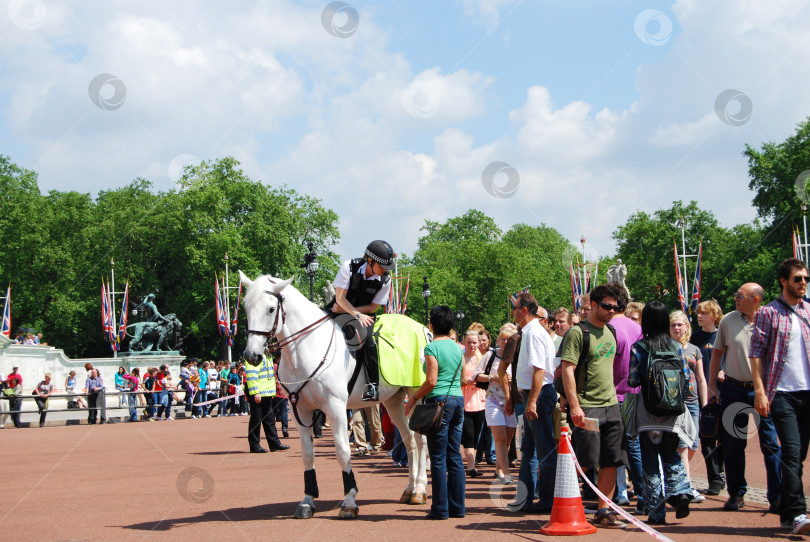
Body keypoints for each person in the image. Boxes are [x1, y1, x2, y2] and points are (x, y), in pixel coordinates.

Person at [707, 282, 781, 513]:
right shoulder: (729, 320)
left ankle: (777, 497)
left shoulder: (771, 319)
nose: (736, 298)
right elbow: (718, 352)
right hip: (734, 389)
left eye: (740, 296)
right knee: (733, 445)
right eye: (736, 295)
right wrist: (711, 384)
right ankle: (737, 494)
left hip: (765, 392)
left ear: (756, 300)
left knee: (770, 444)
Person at [750, 258, 810, 534]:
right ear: (784, 281)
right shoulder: (768, 313)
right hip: (781, 393)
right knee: (792, 452)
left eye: (806, 279)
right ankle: (798, 513)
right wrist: (760, 392)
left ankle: (786, 510)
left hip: (807, 393)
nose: (803, 284)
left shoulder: (808, 311)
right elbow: (756, 355)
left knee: (799, 456)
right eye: (798, 279)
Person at [560, 284, 626, 529]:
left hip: (611, 405)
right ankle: (561, 500)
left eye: (616, 307)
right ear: (594, 305)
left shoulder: (611, 331)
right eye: (608, 306)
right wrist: (575, 405)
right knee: (584, 461)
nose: (612, 311)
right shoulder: (578, 333)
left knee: (611, 460)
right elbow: (567, 368)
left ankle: (604, 510)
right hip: (587, 406)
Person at [628, 301, 695, 525]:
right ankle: (681, 491)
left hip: (648, 412)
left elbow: (633, 380)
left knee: (649, 459)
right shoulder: (677, 347)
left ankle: (656, 511)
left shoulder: (639, 348)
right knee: (671, 453)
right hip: (673, 413)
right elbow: (688, 384)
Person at [405, 305, 466, 520]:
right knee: (454, 456)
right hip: (458, 400)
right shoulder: (459, 348)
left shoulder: (431, 348)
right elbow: (463, 377)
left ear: (432, 325)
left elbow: (431, 381)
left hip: (439, 402)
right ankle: (458, 507)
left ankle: (440, 509)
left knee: (438, 458)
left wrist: (413, 398)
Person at [325, 240, 395, 401]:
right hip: (338, 309)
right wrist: (352, 312)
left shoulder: (385, 280)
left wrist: (355, 314)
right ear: (370, 261)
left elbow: (372, 307)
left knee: (369, 342)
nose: (385, 270)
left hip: (362, 314)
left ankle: (372, 386)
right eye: (382, 266)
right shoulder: (349, 266)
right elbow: (340, 298)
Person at [514, 293, 558, 514]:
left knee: (543, 450)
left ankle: (547, 500)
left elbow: (540, 370)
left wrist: (531, 402)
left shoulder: (533, 332)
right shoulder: (531, 331)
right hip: (534, 394)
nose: (512, 311)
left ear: (524, 310)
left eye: (514, 308)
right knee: (529, 449)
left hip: (537, 394)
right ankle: (526, 498)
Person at [609, 287, 644, 512]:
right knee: (634, 446)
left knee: (615, 447)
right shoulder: (637, 328)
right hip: (636, 393)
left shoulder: (609, 327)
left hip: (614, 393)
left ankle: (620, 492)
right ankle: (642, 492)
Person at [669, 310, 707, 504]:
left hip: (693, 402)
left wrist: (705, 402)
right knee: (682, 445)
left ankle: (679, 477)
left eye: (680, 325)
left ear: (687, 327)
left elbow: (701, 378)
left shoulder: (694, 349)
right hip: (676, 403)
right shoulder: (667, 348)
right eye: (673, 325)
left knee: (694, 443)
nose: (677, 328)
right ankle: (686, 486)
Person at [473, 323, 518, 483]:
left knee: (507, 439)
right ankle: (506, 475)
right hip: (493, 401)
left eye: (509, 340)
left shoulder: (517, 357)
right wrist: (494, 378)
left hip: (512, 402)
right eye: (503, 339)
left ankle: (499, 468)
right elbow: (476, 376)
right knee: (499, 438)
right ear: (498, 341)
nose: (506, 343)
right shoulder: (490, 356)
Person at [690, 299, 725, 495]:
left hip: (725, 390)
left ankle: (720, 471)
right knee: (707, 436)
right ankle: (714, 478)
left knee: (727, 436)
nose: (700, 316)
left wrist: (726, 370)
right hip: (703, 393)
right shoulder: (694, 338)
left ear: (714, 316)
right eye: (698, 313)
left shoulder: (722, 335)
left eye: (704, 313)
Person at [245, 354, 289, 453]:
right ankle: (254, 445)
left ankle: (274, 443)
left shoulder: (267, 356)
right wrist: (256, 392)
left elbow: (269, 377)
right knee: (256, 419)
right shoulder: (255, 355)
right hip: (258, 393)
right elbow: (251, 375)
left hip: (266, 393)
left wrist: (272, 391)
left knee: (270, 420)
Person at [460, 330, 485, 476]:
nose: (472, 345)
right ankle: (470, 467)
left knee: (476, 434)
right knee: (468, 434)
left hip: (480, 400)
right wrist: (466, 381)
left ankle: (472, 464)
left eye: (474, 342)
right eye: (469, 342)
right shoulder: (461, 358)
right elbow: (458, 378)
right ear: (464, 342)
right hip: (465, 399)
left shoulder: (482, 358)